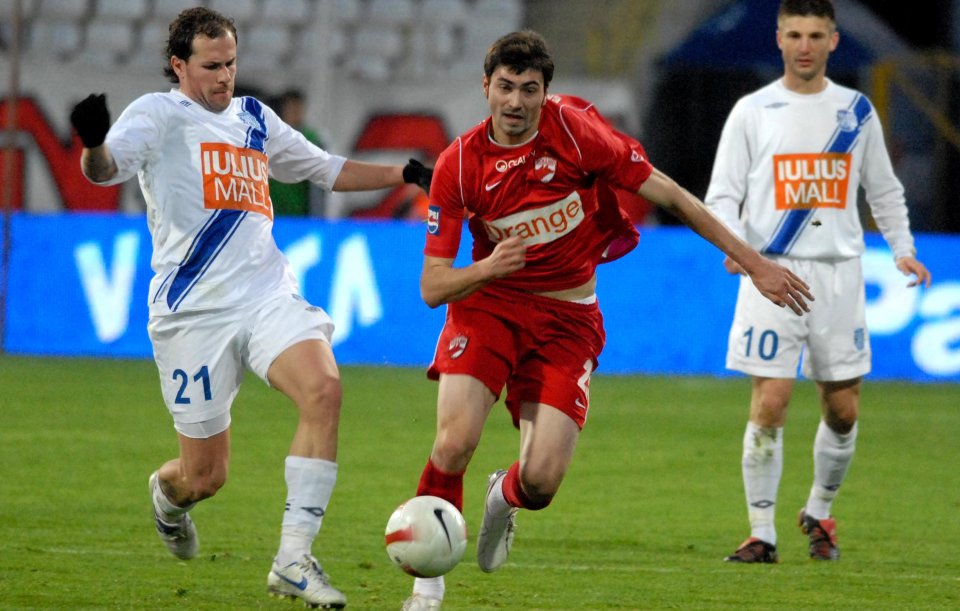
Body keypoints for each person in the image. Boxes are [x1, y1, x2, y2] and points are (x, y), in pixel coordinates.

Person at [401, 30, 813, 610]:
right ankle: (428, 582)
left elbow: (670, 195)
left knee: (541, 483)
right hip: (491, 305)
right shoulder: (461, 164)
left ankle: (506, 493)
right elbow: (432, 286)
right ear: (485, 87)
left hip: (569, 317)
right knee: (454, 441)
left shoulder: (575, 134)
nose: (515, 102)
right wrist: (491, 266)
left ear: (546, 92)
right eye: (504, 87)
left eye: (529, 89)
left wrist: (754, 264)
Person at [68, 7, 431, 609]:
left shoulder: (255, 119)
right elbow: (106, 171)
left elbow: (323, 169)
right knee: (204, 477)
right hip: (192, 315)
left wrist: (408, 172)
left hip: (266, 295)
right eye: (211, 66)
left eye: (231, 63)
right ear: (179, 65)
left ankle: (293, 559)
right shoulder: (157, 114)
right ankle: (167, 496)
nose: (224, 77)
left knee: (323, 389)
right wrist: (92, 142)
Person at [704, 0, 931, 564]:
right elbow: (721, 196)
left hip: (838, 274)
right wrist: (738, 249)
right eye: (795, 34)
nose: (805, 45)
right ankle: (762, 532)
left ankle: (820, 510)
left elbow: (883, 189)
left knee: (843, 410)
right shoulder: (753, 111)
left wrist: (903, 250)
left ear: (832, 41)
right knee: (771, 401)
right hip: (771, 273)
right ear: (779, 39)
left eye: (816, 35)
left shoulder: (855, 112)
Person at [268, 88, 327, 216]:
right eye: (291, 108)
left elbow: (318, 182)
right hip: (271, 211)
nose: (295, 113)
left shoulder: (310, 139)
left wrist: (316, 215)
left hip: (298, 213)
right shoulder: (269, 136)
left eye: (298, 108)